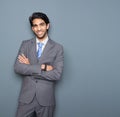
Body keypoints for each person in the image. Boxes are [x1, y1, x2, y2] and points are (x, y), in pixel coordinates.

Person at [14, 12, 64, 117]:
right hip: (26, 98)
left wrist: (29, 66)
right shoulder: (25, 44)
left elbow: (57, 74)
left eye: (41, 24)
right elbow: (18, 67)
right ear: (32, 28)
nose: (38, 28)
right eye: (35, 26)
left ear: (47, 25)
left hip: (46, 99)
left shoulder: (57, 48)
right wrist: (43, 67)